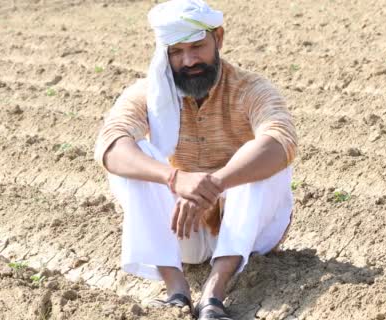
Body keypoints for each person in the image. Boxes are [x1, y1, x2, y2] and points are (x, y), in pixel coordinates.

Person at [94, 0, 297, 318]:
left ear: (218, 38)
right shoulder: (148, 92)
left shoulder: (251, 88)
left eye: (197, 46)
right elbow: (110, 144)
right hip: (183, 227)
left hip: (249, 229)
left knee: (261, 152)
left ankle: (213, 294)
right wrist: (175, 178)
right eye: (176, 51)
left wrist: (215, 183)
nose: (188, 60)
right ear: (164, 52)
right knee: (131, 157)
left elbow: (281, 139)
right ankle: (176, 288)